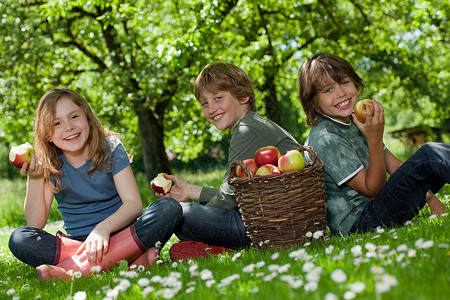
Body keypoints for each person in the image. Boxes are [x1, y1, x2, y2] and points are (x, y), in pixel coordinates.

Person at [8, 88, 182, 280]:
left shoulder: (111, 148)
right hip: (80, 243)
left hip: (123, 234)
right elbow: (35, 224)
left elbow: (134, 205)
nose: (69, 127)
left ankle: (71, 271)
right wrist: (34, 177)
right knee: (20, 238)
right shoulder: (50, 163)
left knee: (169, 208)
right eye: (57, 123)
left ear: (87, 117)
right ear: (47, 135)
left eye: (74, 116)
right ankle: (130, 261)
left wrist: (103, 229)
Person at [155, 62, 300, 259]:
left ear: (243, 96)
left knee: (177, 214)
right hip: (274, 219)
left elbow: (228, 198)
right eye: (204, 103)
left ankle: (148, 252)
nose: (211, 109)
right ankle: (217, 248)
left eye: (218, 98)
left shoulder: (247, 130)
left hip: (273, 225)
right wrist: (190, 191)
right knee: (181, 214)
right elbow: (237, 193)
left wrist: (200, 218)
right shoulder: (252, 123)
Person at [297, 52, 449, 236]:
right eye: (328, 90)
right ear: (313, 102)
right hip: (361, 223)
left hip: (379, 207)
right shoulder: (325, 138)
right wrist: (374, 138)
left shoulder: (355, 121)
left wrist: (431, 198)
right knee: (429, 156)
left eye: (344, 82)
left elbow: (397, 168)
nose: (341, 93)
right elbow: (372, 189)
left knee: (432, 155)